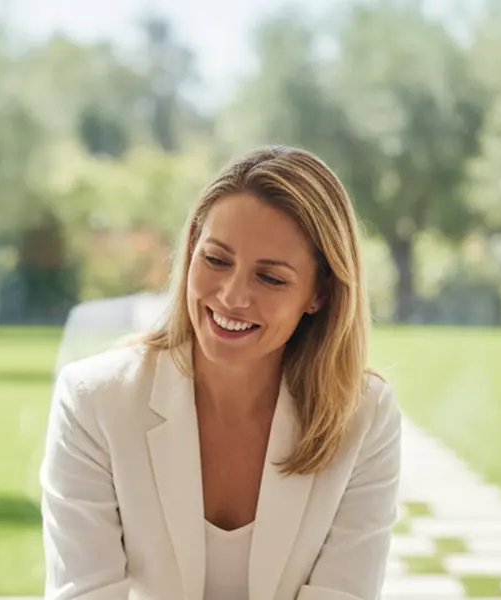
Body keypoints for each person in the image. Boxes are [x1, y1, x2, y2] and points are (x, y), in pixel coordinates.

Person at [41, 145, 401, 600]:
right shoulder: (95, 398)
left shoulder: (364, 414)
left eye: (270, 278)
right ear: (191, 248)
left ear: (320, 294)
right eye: (216, 260)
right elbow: (85, 593)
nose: (232, 296)